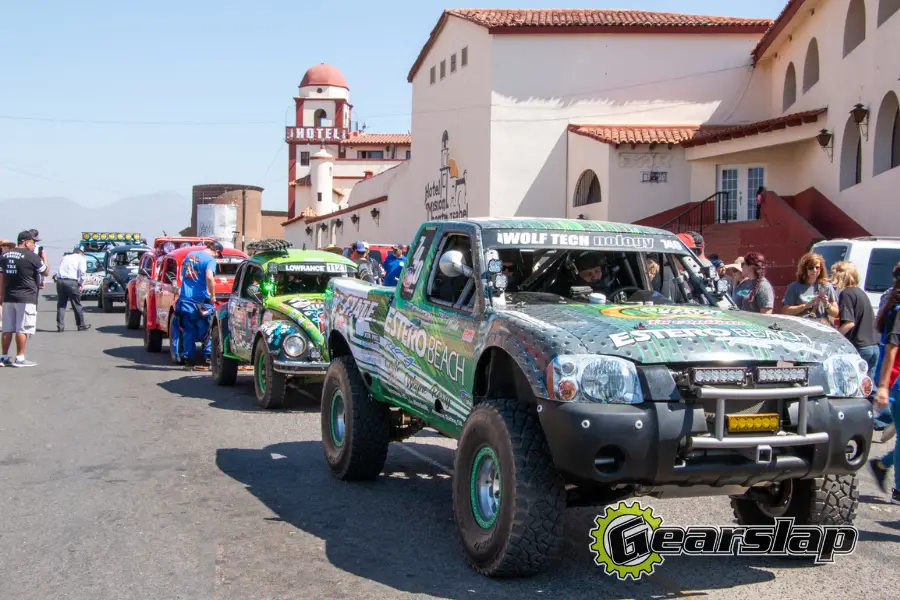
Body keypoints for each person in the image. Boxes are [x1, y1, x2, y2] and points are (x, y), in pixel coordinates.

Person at [868, 263, 900, 504]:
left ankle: (882, 463)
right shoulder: (898, 310)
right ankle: (898, 488)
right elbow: (891, 349)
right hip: (897, 382)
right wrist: (883, 386)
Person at [0, 231, 48, 367]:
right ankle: (20, 358)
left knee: (7, 328)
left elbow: (1, 276)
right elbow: (46, 271)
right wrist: (44, 257)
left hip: (9, 297)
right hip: (26, 297)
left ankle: (3, 356)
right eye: (33, 242)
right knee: (22, 329)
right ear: (26, 242)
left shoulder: (5, 256)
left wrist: (1, 294)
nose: (34, 245)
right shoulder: (31, 256)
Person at [175, 241, 221, 367]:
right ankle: (208, 357)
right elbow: (209, 277)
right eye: (218, 255)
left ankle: (189, 359)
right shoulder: (210, 260)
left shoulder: (190, 255)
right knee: (207, 330)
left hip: (186, 299)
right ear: (216, 251)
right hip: (202, 301)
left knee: (188, 330)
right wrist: (213, 296)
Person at [830, 261, 878, 381]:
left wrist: (833, 337)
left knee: (852, 385)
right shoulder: (861, 292)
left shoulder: (847, 294)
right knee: (868, 387)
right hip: (874, 345)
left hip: (860, 347)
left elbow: (849, 323)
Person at [781, 252, 839, 324]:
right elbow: (785, 311)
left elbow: (835, 313)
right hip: (801, 327)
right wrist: (805, 306)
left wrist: (826, 304)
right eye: (811, 267)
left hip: (822, 326)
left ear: (821, 269)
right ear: (804, 269)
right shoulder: (795, 287)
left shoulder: (826, 286)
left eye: (817, 267)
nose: (814, 270)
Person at [55, 246, 91, 332]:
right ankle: (81, 325)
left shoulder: (65, 257)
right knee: (76, 304)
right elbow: (82, 272)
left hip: (60, 281)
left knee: (61, 304)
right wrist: (81, 283)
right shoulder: (81, 258)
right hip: (71, 282)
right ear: (81, 253)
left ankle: (60, 325)